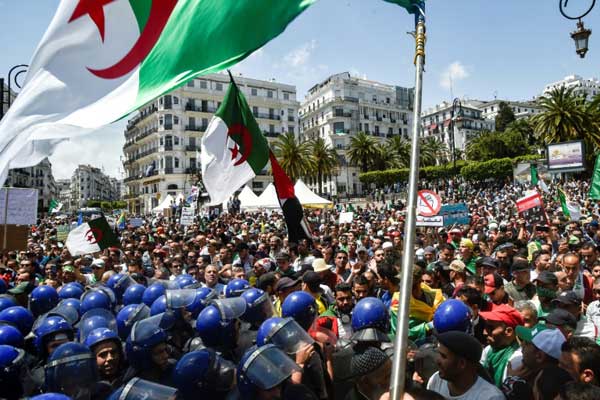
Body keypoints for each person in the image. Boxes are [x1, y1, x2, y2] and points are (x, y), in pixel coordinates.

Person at [427, 331, 505, 399]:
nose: (437, 361)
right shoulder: (436, 380)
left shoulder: (491, 397)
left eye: (443, 356)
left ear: (462, 364)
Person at [479, 304, 524, 387]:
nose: (484, 332)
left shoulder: (516, 359)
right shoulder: (489, 349)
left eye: (490, 328)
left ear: (508, 331)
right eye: (485, 326)